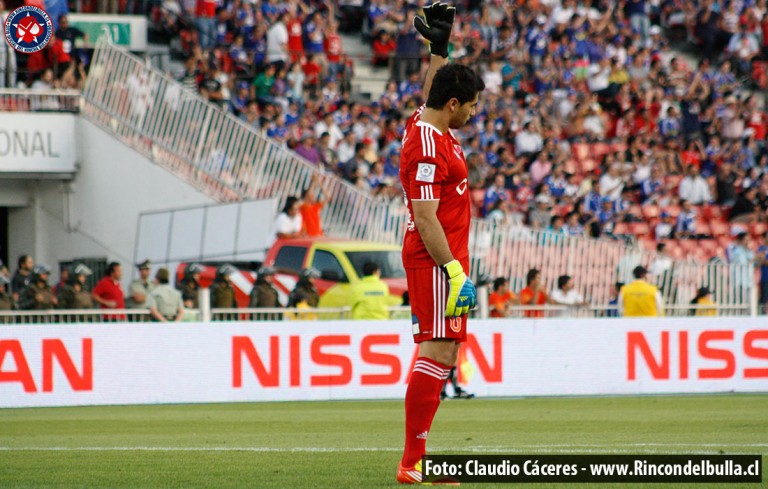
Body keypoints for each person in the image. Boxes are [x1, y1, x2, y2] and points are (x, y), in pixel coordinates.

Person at [396, 3, 484, 484]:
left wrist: (439, 49)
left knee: (444, 352)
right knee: (436, 350)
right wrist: (452, 272)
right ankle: (411, 463)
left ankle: (417, 461)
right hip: (436, 260)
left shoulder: (429, 123)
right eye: (472, 104)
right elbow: (425, 216)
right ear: (455, 104)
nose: (474, 112)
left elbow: (433, 91)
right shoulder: (428, 146)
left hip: (446, 259)